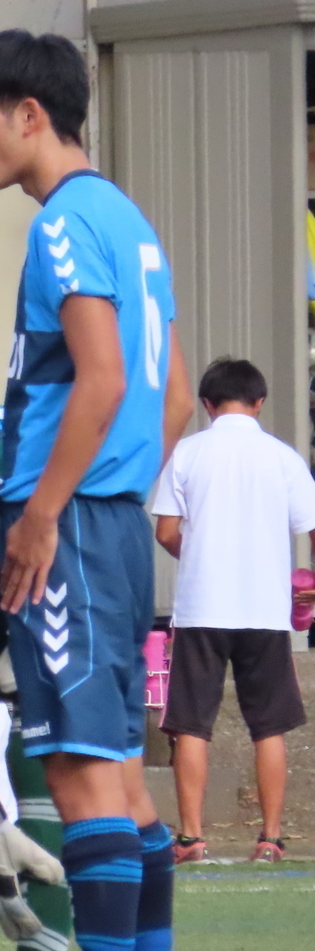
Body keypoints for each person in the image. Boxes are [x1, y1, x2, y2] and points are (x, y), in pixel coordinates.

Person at [0, 29, 196, 951]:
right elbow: (170, 392)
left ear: (28, 112)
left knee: (82, 771)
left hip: (73, 524)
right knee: (126, 785)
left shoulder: (63, 226)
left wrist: (49, 509)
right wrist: (114, 491)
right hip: (110, 522)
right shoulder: (129, 221)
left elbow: (100, 379)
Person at [152, 356, 315, 865]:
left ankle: (192, 838)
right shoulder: (285, 458)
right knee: (268, 726)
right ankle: (269, 838)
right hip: (265, 609)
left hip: (202, 606)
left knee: (191, 725)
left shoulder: (187, 454)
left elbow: (165, 531)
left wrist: (199, 554)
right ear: (259, 402)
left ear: (207, 404)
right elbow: (309, 527)